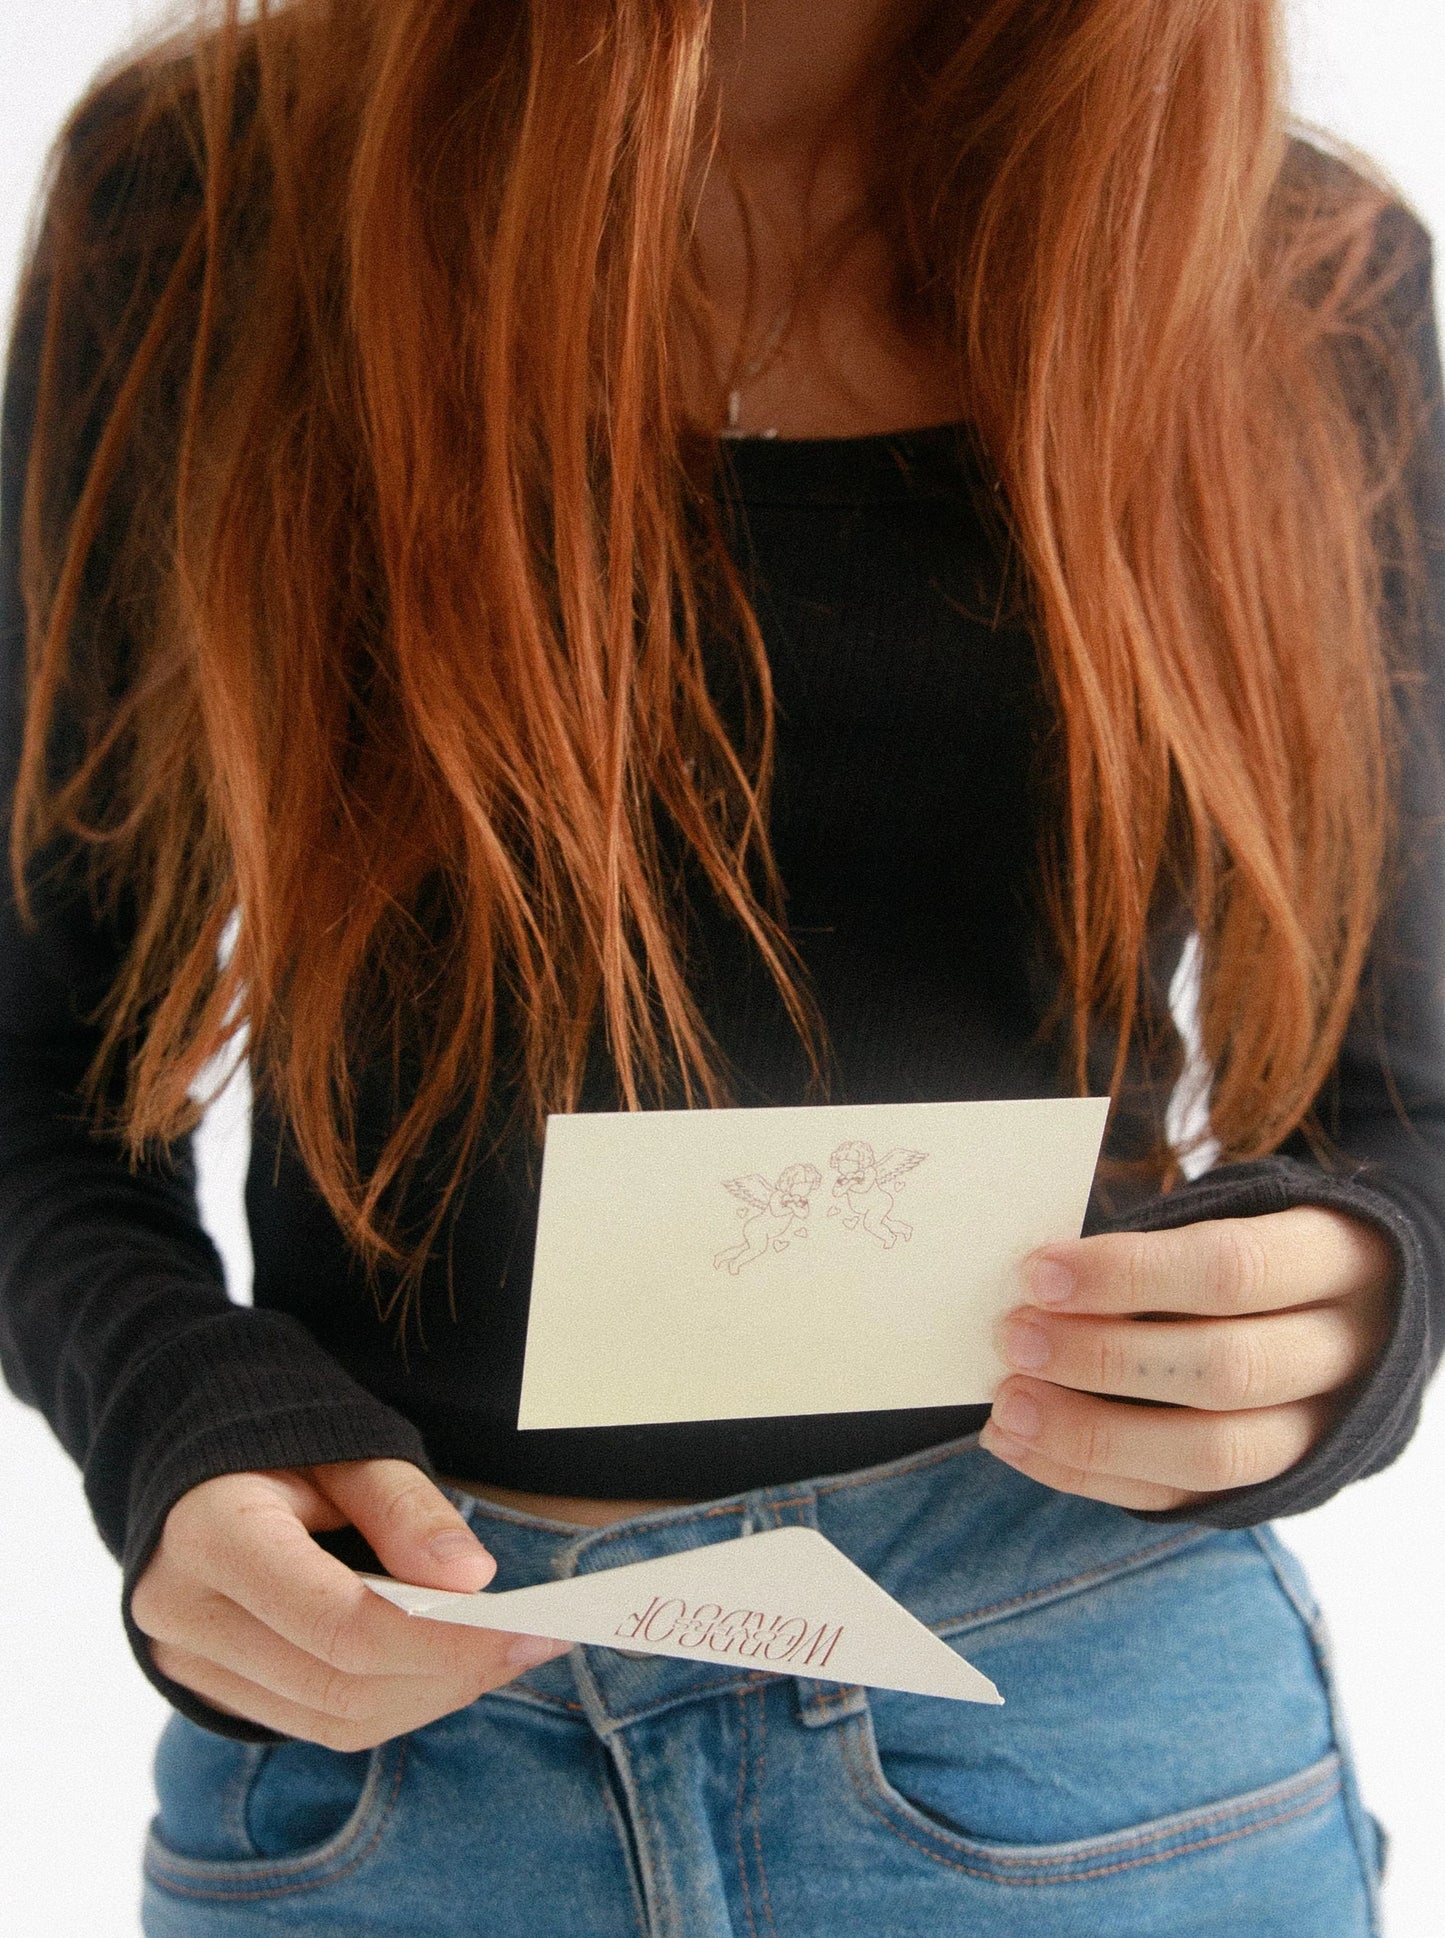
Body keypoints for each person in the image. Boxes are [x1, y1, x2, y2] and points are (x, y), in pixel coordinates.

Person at [2, 0, 1441, 1931]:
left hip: (1076, 1710)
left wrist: (1348, 1305)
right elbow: (35, 1071)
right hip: (386, 1701)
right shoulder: (208, 203)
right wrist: (178, 1414)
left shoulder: (1292, 273)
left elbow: (1399, 1113)